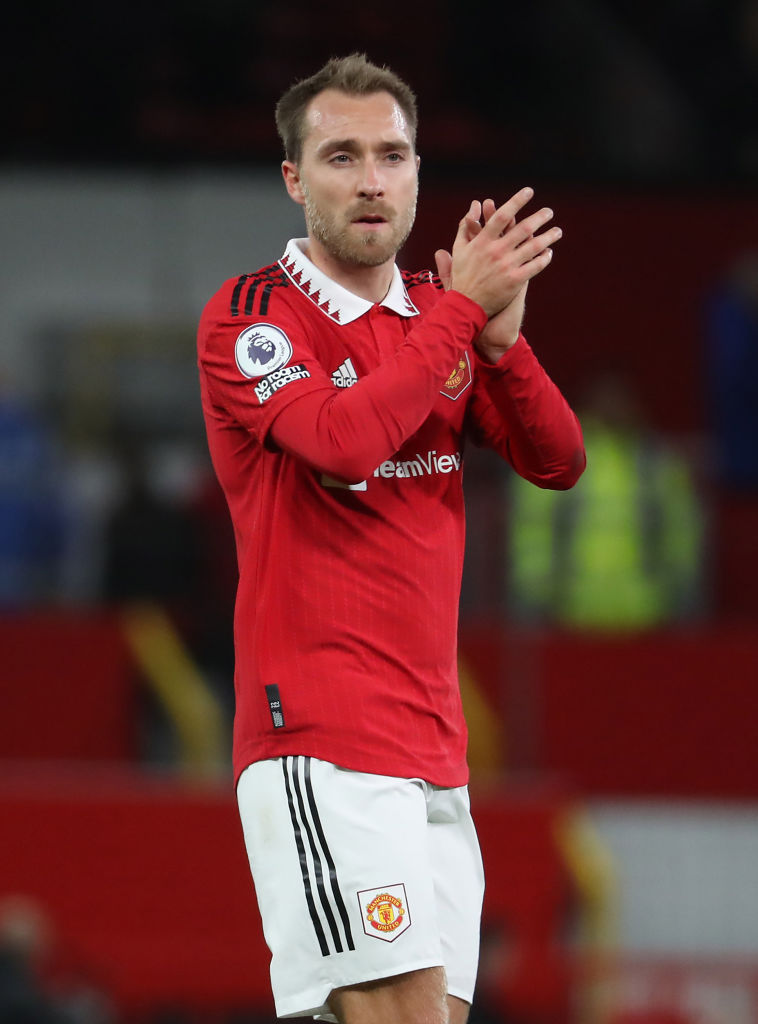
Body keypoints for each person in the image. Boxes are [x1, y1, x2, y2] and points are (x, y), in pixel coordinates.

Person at [197, 54, 585, 1024]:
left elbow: (557, 459)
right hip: (320, 742)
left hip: (433, 751)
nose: (370, 179)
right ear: (294, 178)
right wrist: (460, 314)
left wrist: (499, 342)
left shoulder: (434, 324)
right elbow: (343, 440)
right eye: (340, 156)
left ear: (416, 171)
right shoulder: (252, 318)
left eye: (391, 154)